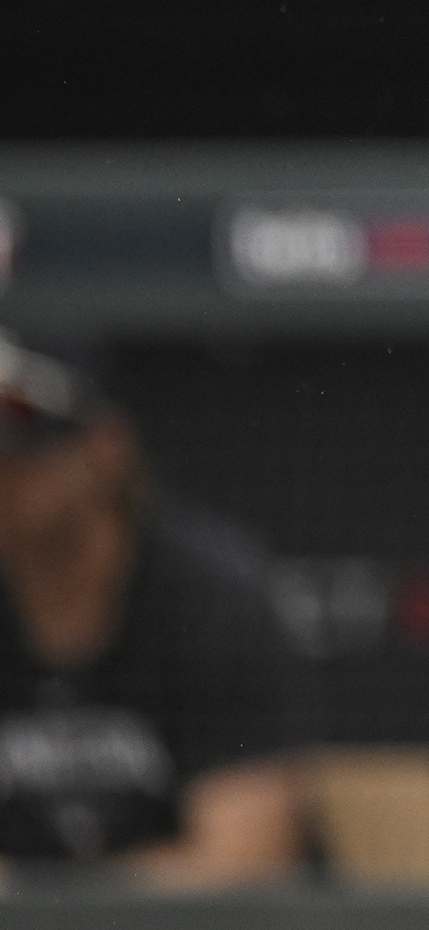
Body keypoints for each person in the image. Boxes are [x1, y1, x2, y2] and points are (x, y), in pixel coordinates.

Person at [0, 338, 305, 881]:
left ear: (106, 448)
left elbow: (245, 864)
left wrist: (34, 900)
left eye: (19, 433)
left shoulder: (210, 593)